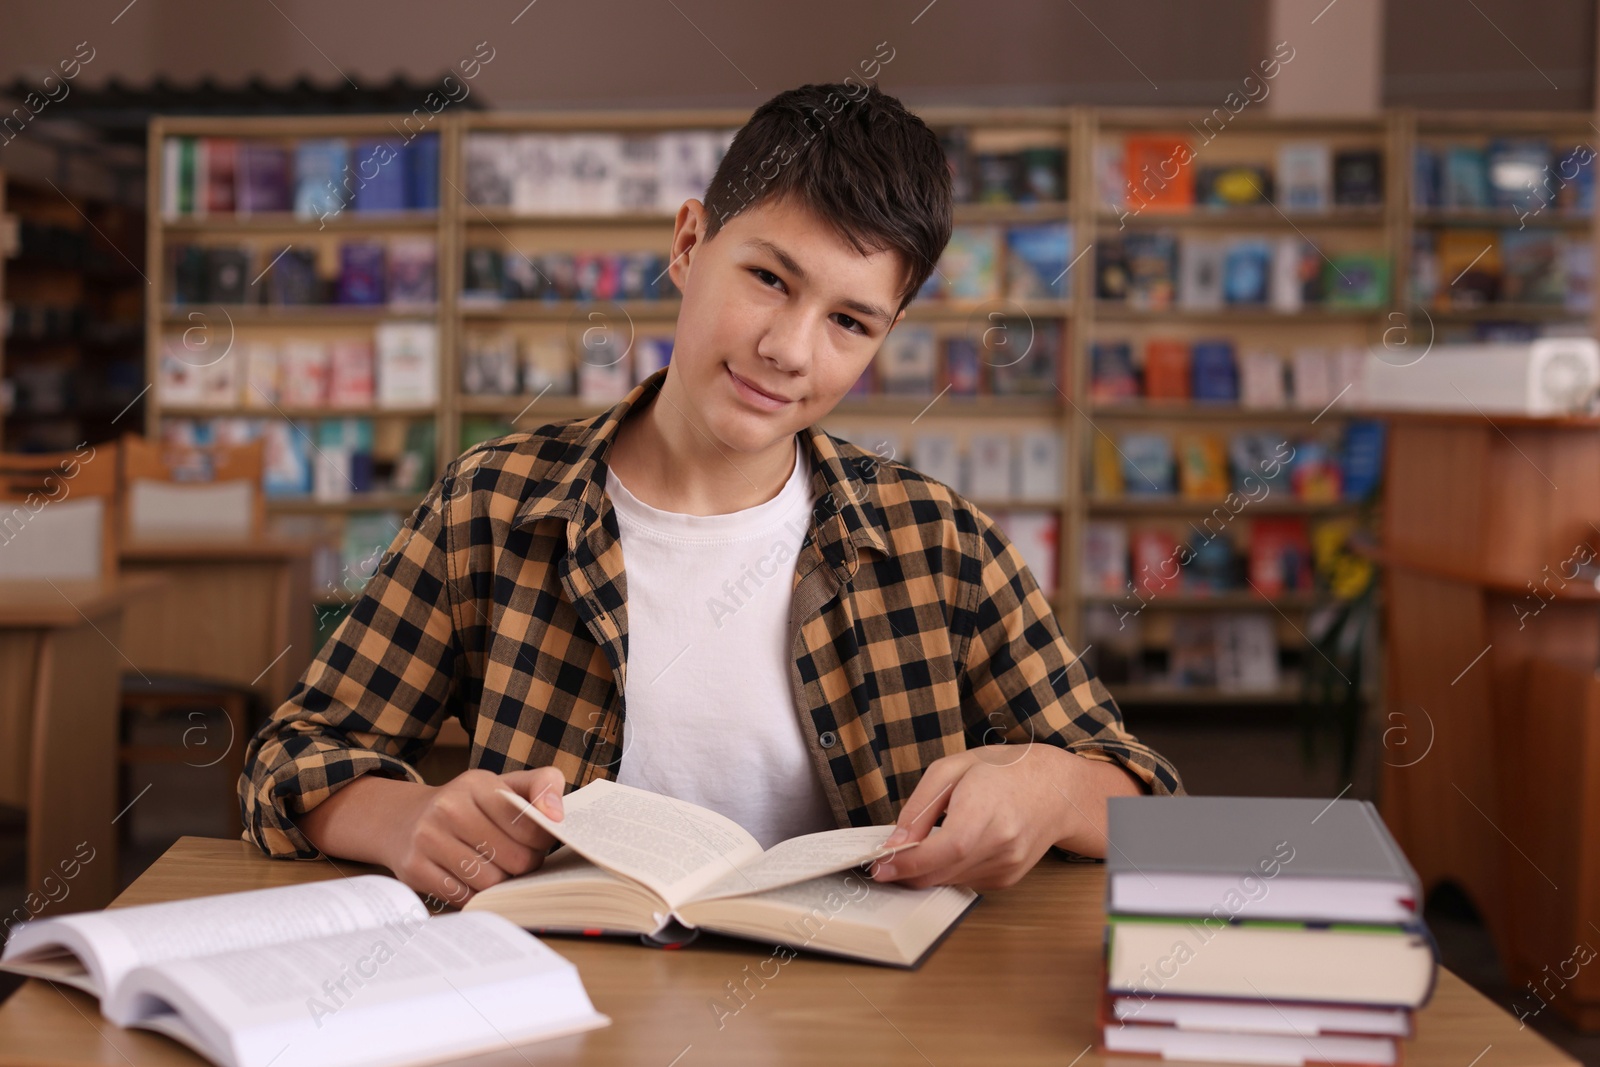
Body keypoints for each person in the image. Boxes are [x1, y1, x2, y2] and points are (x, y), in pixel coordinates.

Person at [239, 81, 1183, 907]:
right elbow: (292, 756)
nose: (790, 348)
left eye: (849, 321)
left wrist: (1049, 789)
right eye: (769, 278)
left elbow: (1144, 794)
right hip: (564, 1001)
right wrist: (404, 817)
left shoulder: (939, 542)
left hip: (859, 1022)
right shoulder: (490, 506)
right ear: (689, 243)